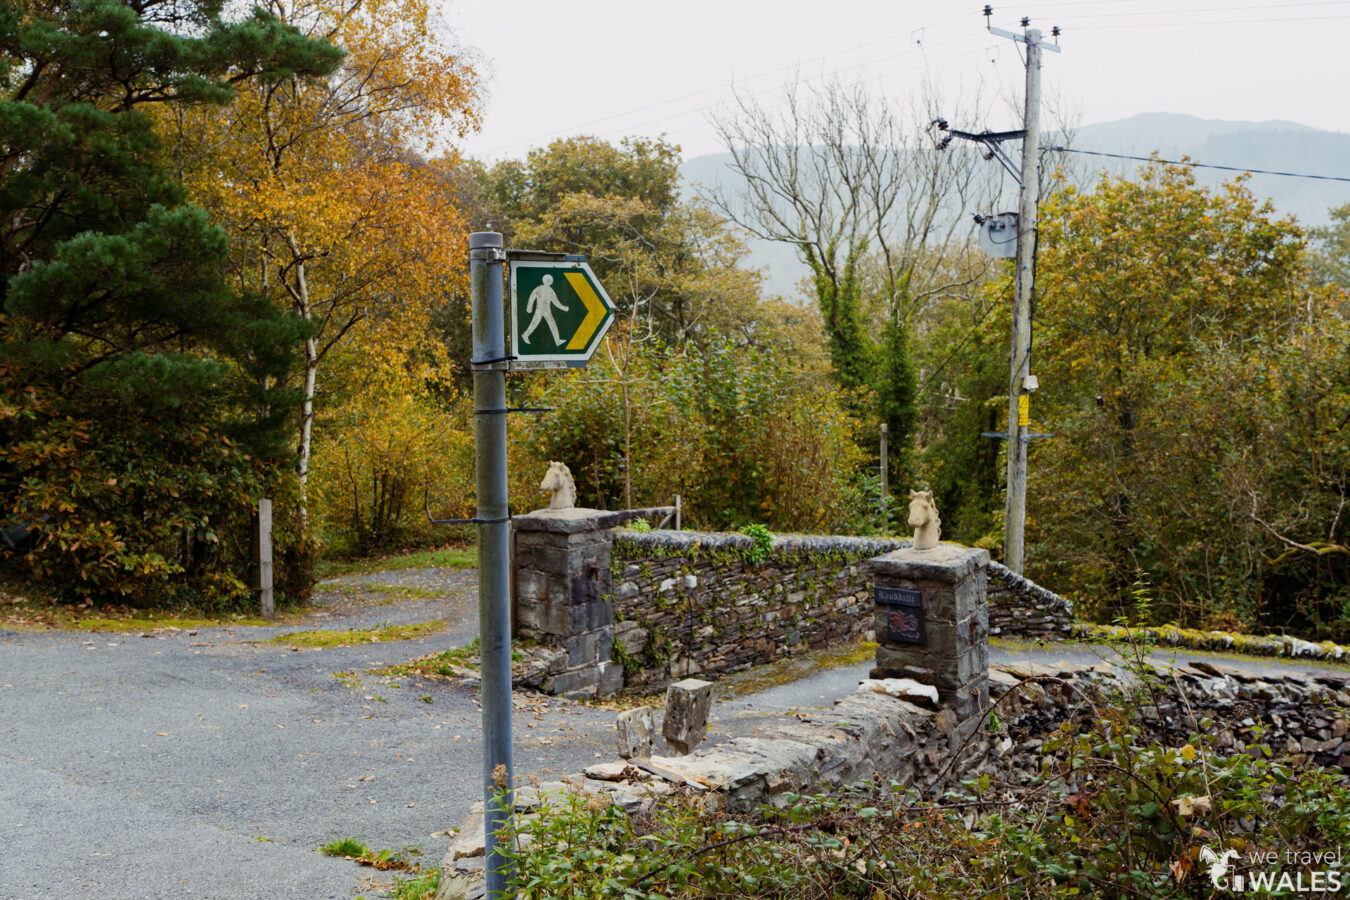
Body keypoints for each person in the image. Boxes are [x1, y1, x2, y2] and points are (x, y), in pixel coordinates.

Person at [521, 274, 568, 346]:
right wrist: (529, 308)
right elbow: (532, 297)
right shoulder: (539, 288)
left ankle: (557, 341)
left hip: (547, 311)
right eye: (547, 280)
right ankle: (525, 335)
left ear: (550, 282)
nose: (548, 282)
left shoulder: (551, 291)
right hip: (539, 310)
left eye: (549, 281)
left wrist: (564, 308)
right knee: (534, 324)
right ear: (544, 281)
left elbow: (556, 302)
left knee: (553, 325)